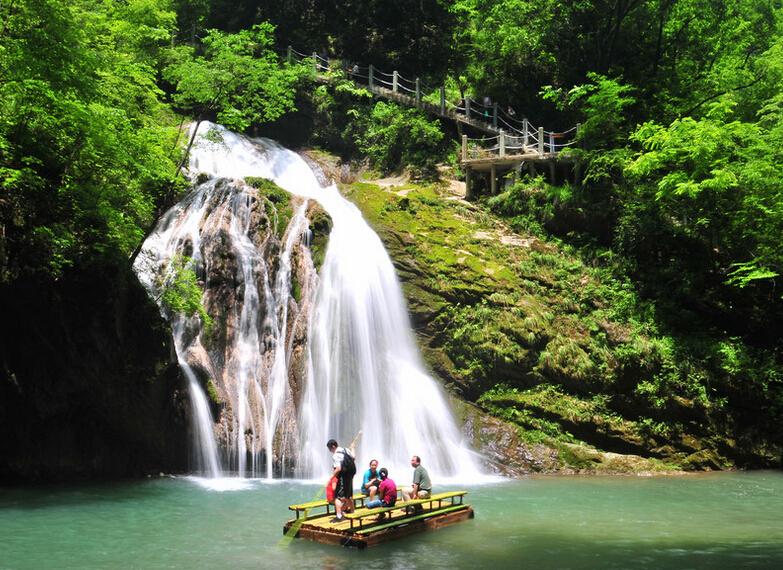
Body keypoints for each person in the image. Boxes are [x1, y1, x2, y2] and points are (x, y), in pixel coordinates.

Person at [326, 439, 356, 523]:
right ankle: (353, 512)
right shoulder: (346, 450)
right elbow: (353, 458)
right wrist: (353, 448)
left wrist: (331, 477)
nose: (330, 451)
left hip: (343, 476)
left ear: (333, 446)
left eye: (329, 449)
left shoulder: (336, 455)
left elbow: (338, 468)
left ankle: (339, 516)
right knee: (348, 495)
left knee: (338, 497)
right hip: (350, 475)